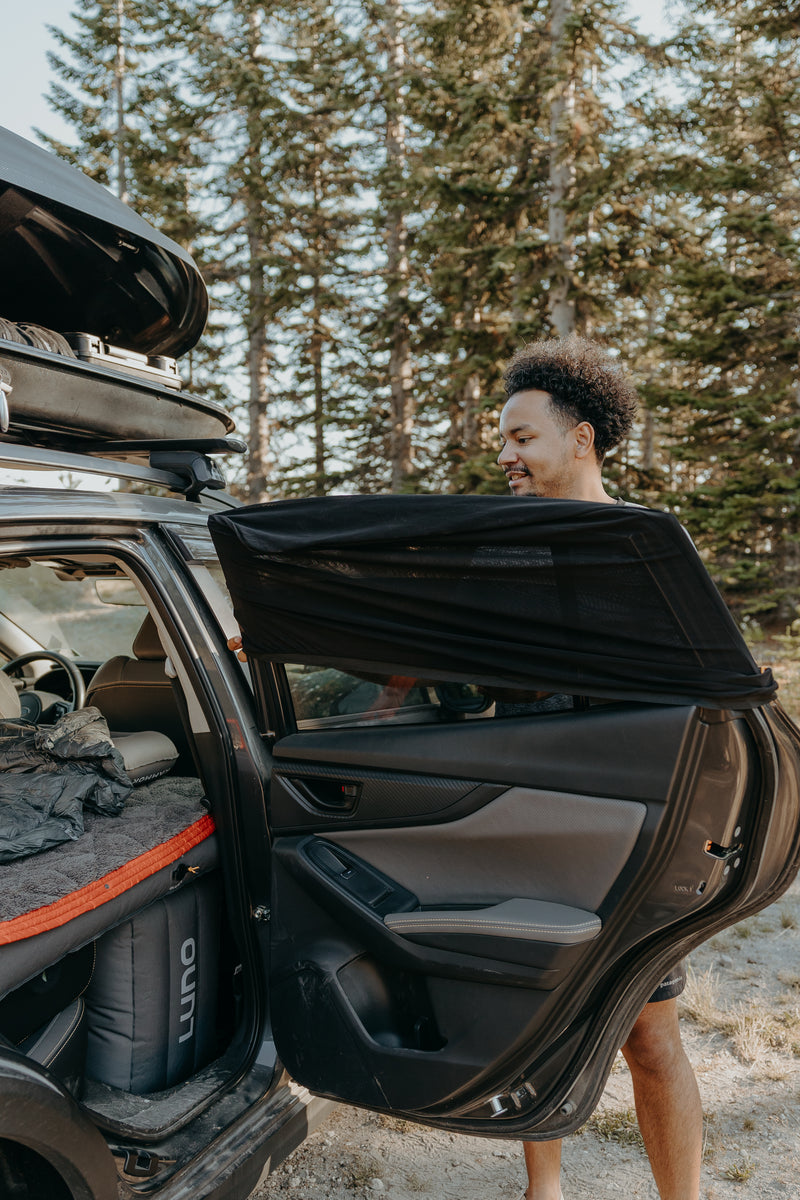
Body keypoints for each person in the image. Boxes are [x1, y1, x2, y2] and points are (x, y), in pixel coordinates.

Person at [496, 336, 702, 1200]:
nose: (505, 454)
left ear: (581, 440)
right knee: (537, 1029)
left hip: (634, 830)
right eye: (501, 440)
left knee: (649, 1039)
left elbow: (701, 690)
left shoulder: (649, 547)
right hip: (528, 817)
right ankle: (544, 1192)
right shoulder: (492, 548)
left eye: (521, 438)